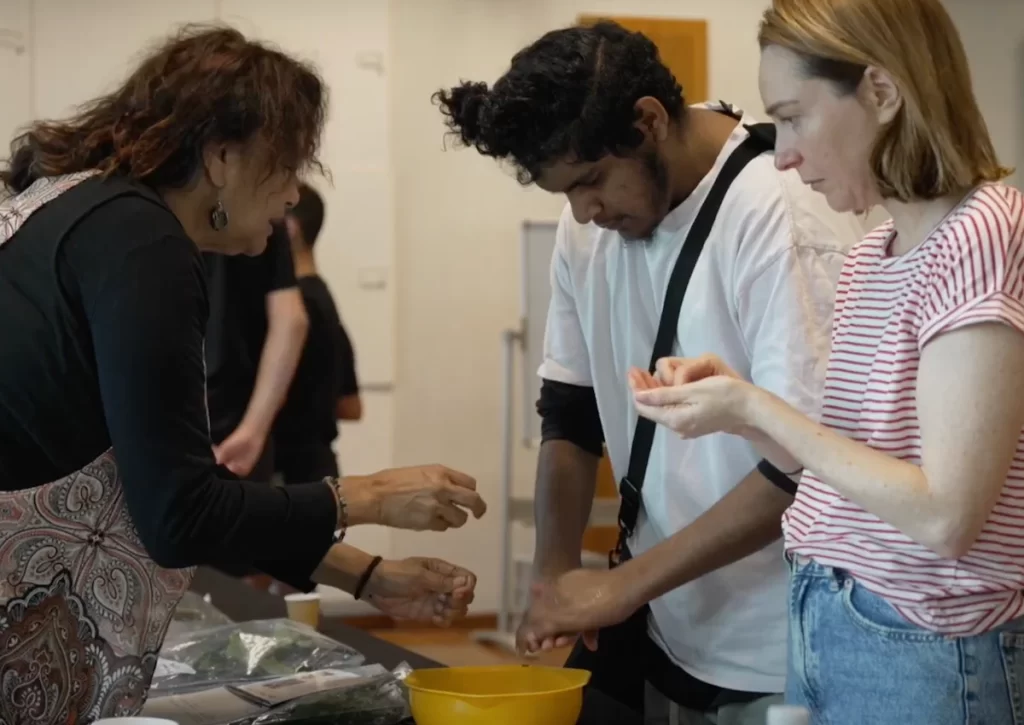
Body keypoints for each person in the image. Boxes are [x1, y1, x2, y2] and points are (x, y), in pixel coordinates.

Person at [0, 25, 486, 722]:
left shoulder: (80, 207)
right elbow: (180, 514)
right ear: (223, 155)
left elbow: (161, 482)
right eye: (288, 166)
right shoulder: (143, 242)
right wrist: (369, 494)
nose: (294, 194)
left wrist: (369, 575)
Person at [435, 21, 861, 725]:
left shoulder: (779, 213)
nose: (584, 212)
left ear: (649, 120)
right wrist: (554, 570)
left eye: (593, 181)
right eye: (564, 193)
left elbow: (806, 465)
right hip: (667, 625)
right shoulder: (587, 228)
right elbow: (569, 413)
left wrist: (623, 586)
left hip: (776, 642)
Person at [627, 0, 1024, 723]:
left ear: (881, 91)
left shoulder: (981, 233)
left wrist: (756, 407)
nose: (781, 154)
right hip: (829, 614)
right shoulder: (874, 252)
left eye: (793, 117)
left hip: (923, 644)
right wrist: (735, 403)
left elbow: (945, 515)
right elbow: (853, 464)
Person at [204, 218, 308, 481]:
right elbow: (291, 320)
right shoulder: (263, 199)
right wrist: (253, 431)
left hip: (155, 437)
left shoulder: (139, 204)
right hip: (238, 441)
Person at [274, 182, 362, 483]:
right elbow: (350, 405)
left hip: (291, 481)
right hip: (320, 474)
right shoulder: (325, 303)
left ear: (290, 227)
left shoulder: (296, 308)